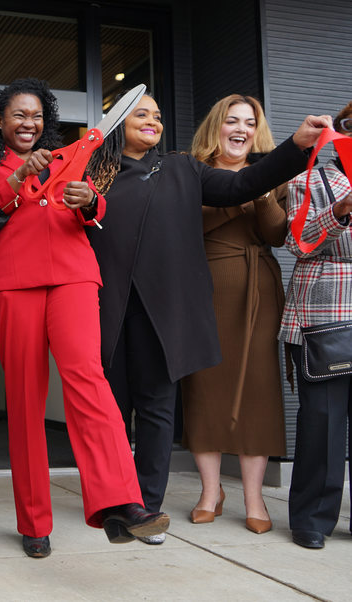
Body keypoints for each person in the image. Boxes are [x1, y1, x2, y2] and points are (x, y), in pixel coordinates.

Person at [85, 92, 331, 544]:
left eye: (159, 116)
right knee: (111, 411)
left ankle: (146, 508)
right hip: (108, 303)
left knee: (158, 409)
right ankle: (112, 500)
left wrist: (295, 146)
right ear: (118, 122)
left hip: (166, 308)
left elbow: (241, 185)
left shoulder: (182, 168)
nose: (154, 122)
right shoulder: (95, 173)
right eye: (143, 114)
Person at [0, 77, 169, 558]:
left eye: (36, 115)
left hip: (74, 276)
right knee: (27, 400)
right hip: (13, 283)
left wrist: (89, 201)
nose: (28, 123)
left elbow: (94, 211)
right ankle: (34, 522)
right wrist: (17, 178)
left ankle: (122, 503)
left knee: (88, 379)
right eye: (19, 115)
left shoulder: (71, 157)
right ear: (1, 122)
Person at [180, 95, 287, 534]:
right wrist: (239, 193)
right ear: (216, 128)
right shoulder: (191, 173)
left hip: (257, 287)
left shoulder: (274, 174)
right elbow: (186, 226)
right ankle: (210, 491)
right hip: (203, 287)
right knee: (203, 387)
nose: (240, 128)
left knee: (259, 390)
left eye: (249, 121)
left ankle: (255, 499)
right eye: (231, 120)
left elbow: (278, 234)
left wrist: (261, 196)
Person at [279, 101, 352, 550]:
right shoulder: (311, 178)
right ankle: (311, 518)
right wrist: (339, 211)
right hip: (325, 312)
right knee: (323, 420)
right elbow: (298, 243)